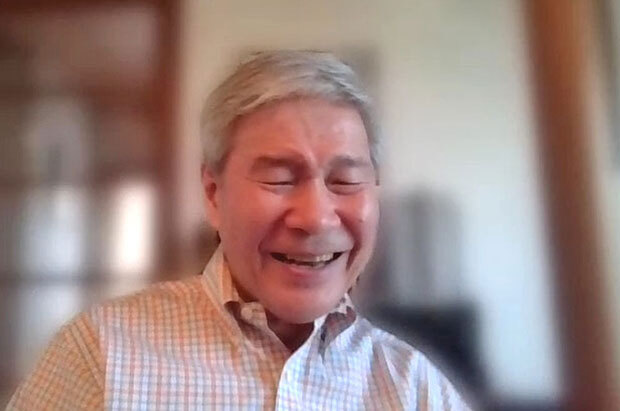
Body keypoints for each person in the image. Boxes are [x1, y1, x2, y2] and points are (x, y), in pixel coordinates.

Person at [8, 50, 471, 410]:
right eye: (279, 179)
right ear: (213, 194)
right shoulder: (101, 355)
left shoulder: (415, 389)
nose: (316, 218)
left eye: (345, 181)